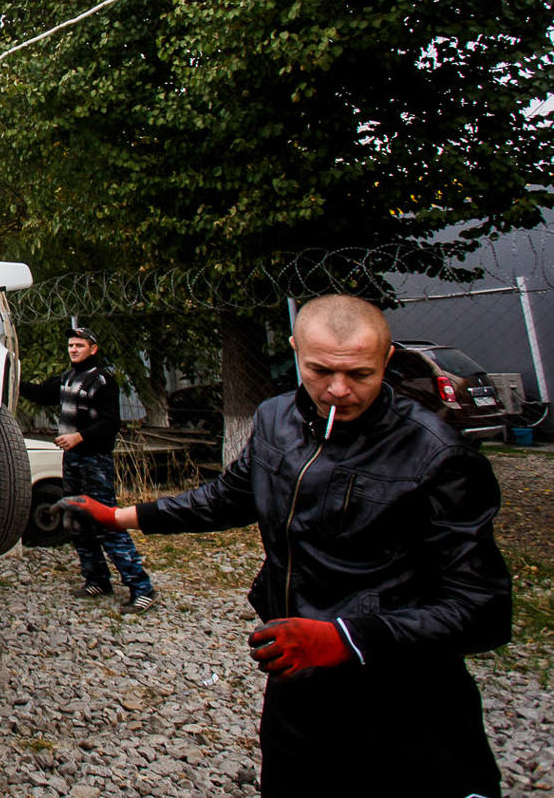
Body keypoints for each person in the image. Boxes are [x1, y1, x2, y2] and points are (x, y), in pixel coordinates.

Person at [61, 294, 512, 798]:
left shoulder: (437, 454)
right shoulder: (277, 419)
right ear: (297, 351)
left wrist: (345, 638)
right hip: (298, 678)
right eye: (321, 371)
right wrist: (122, 516)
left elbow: (483, 608)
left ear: (386, 360)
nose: (339, 390)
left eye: (360, 374)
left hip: (404, 696)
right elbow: (228, 497)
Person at [22, 325, 157, 611]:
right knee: (76, 520)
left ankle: (141, 589)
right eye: (71, 345)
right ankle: (97, 579)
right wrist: (8, 376)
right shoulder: (68, 378)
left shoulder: (102, 380)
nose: (73, 350)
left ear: (93, 349)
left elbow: (111, 423)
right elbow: (41, 394)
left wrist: (79, 437)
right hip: (72, 461)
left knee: (106, 520)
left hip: (94, 460)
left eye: (79, 345)